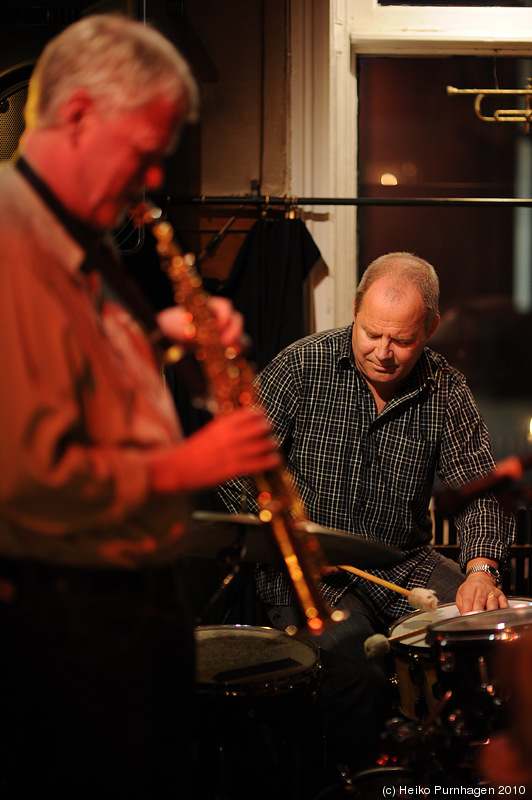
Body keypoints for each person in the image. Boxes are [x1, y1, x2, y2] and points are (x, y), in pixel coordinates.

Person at [0, 14, 279, 797]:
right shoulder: (14, 241)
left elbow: (75, 385)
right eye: (146, 152)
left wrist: (165, 342)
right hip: (65, 626)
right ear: (82, 114)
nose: (155, 180)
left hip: (112, 616)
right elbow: (25, 478)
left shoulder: (78, 244)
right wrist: (190, 463)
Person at [220, 252, 515, 775]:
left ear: (430, 328)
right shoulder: (300, 366)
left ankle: (462, 776)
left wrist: (481, 568)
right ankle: (360, 784)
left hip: (402, 561)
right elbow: (231, 468)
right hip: (305, 571)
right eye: (371, 333)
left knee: (494, 640)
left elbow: (479, 488)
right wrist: (288, 538)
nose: (383, 353)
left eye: (402, 340)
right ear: (356, 309)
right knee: (355, 672)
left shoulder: (446, 387)